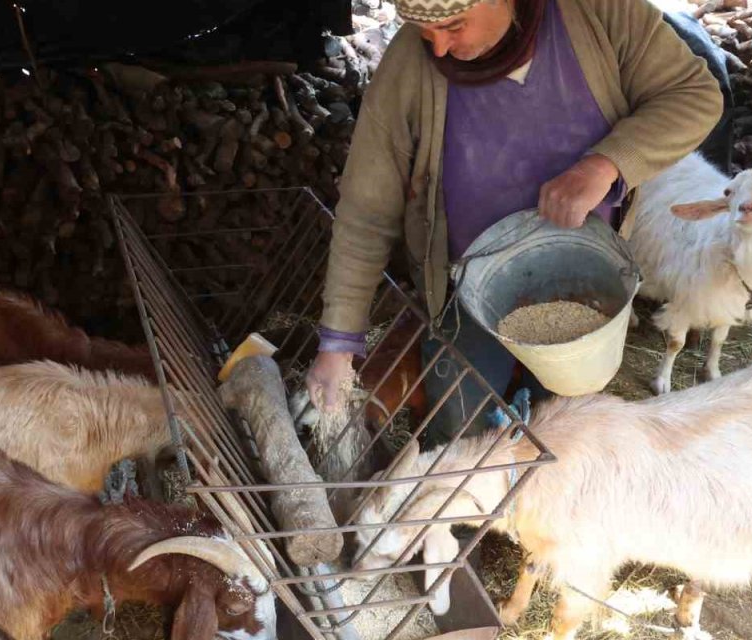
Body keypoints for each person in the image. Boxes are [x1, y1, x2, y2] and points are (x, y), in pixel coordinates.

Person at [306, 0, 723, 448]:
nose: (440, 50)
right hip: (466, 290)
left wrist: (604, 166)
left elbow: (694, 94)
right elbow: (366, 209)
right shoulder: (411, 60)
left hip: (587, 291)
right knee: (456, 434)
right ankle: (466, 517)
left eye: (453, 26)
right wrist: (338, 342)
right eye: (429, 35)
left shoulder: (601, 14)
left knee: (566, 435)